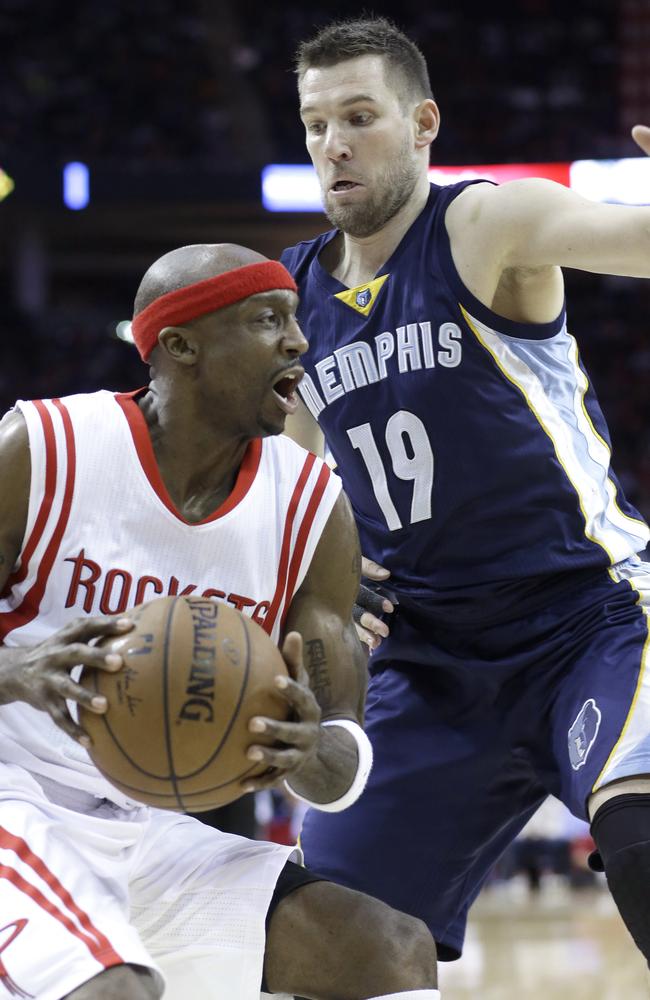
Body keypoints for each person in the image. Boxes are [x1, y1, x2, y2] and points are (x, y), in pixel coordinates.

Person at [280, 14, 650, 969]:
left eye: (360, 116)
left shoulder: (486, 224)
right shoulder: (288, 305)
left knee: (646, 841)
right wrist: (315, 573)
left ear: (423, 124)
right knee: (331, 939)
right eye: (317, 124)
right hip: (430, 662)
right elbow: (280, 491)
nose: (335, 145)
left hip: (588, 621)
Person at [0, 242, 440, 1000]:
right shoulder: (44, 449)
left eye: (296, 320)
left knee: (388, 952)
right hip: (14, 794)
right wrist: (14, 672)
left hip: (145, 825)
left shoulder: (310, 507)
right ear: (180, 345)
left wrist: (305, 753)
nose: (299, 342)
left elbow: (341, 753)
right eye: (268, 320)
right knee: (114, 990)